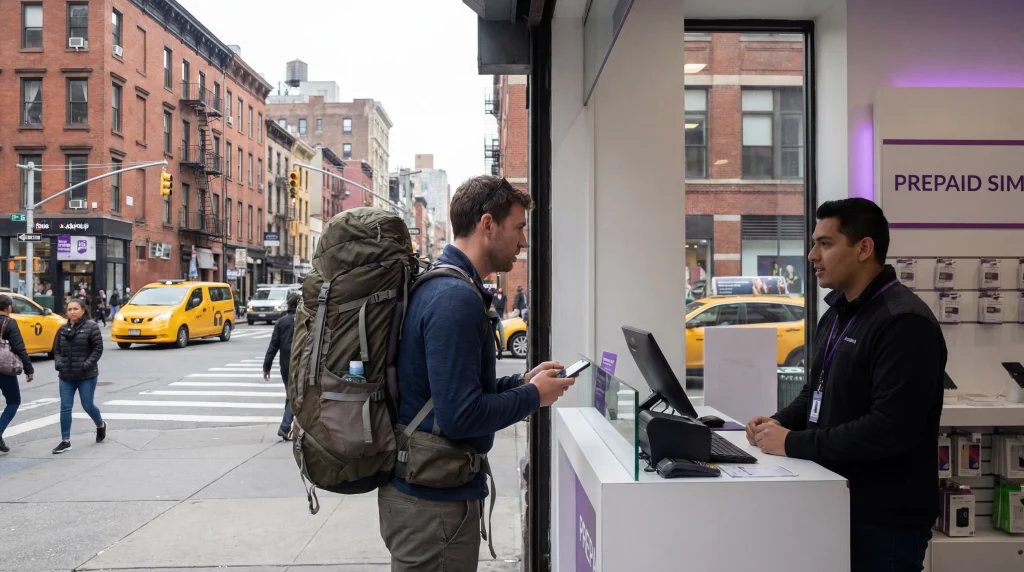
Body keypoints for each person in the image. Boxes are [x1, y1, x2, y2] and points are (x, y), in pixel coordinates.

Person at [379, 175, 576, 571]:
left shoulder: (445, 285)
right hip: (433, 510)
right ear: (488, 225)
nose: (523, 242)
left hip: (429, 498)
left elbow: (453, 391)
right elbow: (459, 415)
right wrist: (533, 396)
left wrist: (520, 383)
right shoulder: (455, 298)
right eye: (518, 228)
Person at [745, 198, 946, 572]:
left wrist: (791, 442)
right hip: (838, 500)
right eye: (814, 244)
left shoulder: (904, 322)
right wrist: (777, 423)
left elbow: (889, 429)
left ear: (864, 248)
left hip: (885, 519)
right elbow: (815, 392)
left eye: (825, 243)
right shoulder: (838, 312)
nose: (812, 255)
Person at [52, 298, 106, 454]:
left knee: (87, 405)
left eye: (75, 309)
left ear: (83, 310)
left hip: (86, 375)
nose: (72, 312)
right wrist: (59, 363)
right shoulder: (62, 329)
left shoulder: (91, 326)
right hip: (65, 375)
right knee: (65, 407)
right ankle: (65, 440)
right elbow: (56, 350)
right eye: (69, 309)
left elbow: (97, 349)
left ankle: (101, 424)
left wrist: (86, 364)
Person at [0, 294, 34, 453]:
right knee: (13, 401)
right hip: (4, 369)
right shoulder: (9, 323)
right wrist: (28, 369)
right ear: (9, 307)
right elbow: (19, 347)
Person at [264, 292, 298, 441]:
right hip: (300, 363)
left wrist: (267, 367)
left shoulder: (281, 322)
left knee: (290, 394)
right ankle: (285, 427)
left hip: (285, 365)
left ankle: (287, 426)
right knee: (294, 395)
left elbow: (273, 346)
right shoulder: (306, 320)